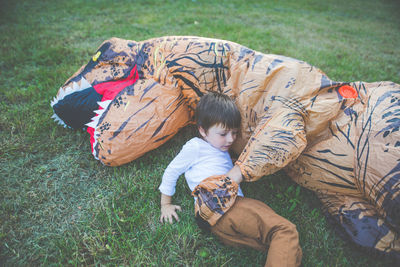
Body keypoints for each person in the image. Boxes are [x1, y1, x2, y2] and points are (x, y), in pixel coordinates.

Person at [159, 92, 302, 267]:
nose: (231, 139)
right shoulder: (196, 146)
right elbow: (171, 171)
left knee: (288, 250)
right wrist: (165, 204)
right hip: (225, 205)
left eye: (234, 133)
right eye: (223, 133)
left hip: (219, 227)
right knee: (284, 231)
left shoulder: (221, 151)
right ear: (203, 131)